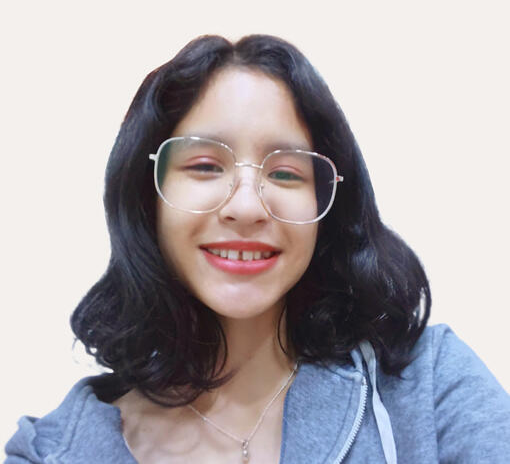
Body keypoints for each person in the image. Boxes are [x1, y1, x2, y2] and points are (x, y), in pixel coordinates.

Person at [5, 34, 510, 464]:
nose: (246, 207)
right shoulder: (50, 452)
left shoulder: (429, 386)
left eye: (286, 173)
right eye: (205, 166)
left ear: (328, 204)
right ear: (146, 195)